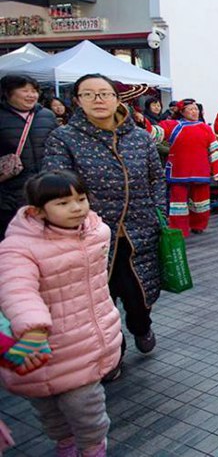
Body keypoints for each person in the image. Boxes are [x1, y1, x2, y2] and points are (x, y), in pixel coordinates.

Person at [43, 73, 166, 359]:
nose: (98, 99)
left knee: (140, 294)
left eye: (105, 93)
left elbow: (156, 179)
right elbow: (56, 184)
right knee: (99, 300)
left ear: (116, 98)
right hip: (89, 237)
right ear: (77, 101)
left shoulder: (139, 137)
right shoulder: (63, 139)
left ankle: (141, 325)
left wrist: (159, 215)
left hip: (139, 232)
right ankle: (112, 351)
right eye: (89, 94)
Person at [0, 170, 122, 457]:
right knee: (49, 411)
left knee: (86, 409)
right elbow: (17, 290)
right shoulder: (18, 248)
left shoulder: (95, 234)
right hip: (37, 346)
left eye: (81, 199)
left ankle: (93, 448)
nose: (77, 207)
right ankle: (65, 444)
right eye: (63, 203)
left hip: (84, 345)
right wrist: (33, 327)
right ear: (37, 211)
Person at [151, 99, 218, 236]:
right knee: (178, 205)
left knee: (201, 202)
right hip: (179, 171)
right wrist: (142, 122)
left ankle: (199, 225)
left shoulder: (205, 128)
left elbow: (214, 150)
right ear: (182, 112)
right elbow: (156, 132)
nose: (194, 112)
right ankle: (179, 229)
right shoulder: (173, 125)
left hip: (200, 171)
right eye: (191, 109)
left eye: (196, 109)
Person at [0, 76, 57, 238]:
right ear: (8, 93)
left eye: (34, 91)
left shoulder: (47, 115)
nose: (31, 95)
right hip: (9, 191)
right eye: (25, 90)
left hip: (43, 188)